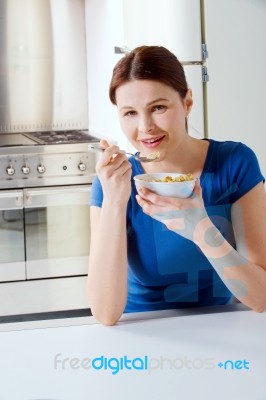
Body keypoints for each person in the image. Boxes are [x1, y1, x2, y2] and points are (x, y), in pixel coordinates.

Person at [87, 45, 266, 325]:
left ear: (187, 102)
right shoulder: (113, 181)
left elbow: (261, 298)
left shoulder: (235, 163)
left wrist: (201, 230)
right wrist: (114, 201)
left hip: (222, 328)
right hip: (144, 333)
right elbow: (105, 314)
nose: (145, 127)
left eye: (158, 107)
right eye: (130, 113)